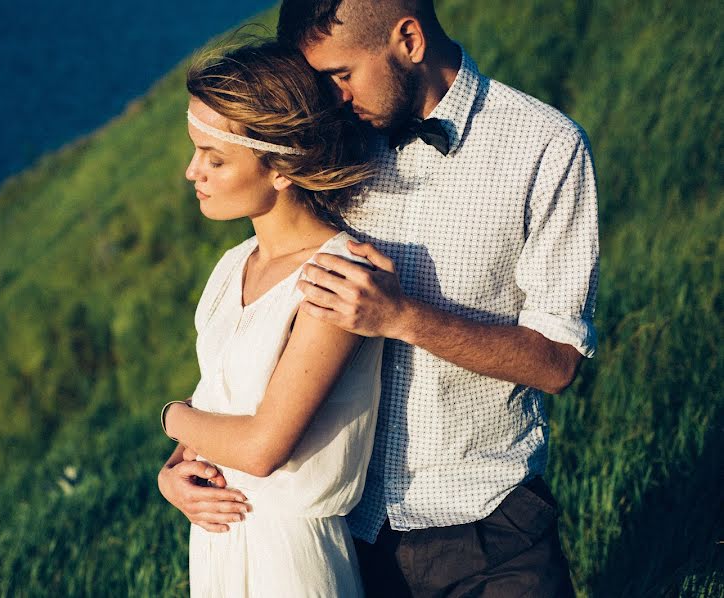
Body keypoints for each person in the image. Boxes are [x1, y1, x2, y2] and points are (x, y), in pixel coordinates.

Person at [166, 1, 600, 595]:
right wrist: (180, 461)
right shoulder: (336, 146)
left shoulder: (546, 148)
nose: (332, 101)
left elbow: (557, 362)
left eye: (340, 76)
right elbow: (258, 343)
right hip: (347, 535)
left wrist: (402, 317)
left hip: (488, 528)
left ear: (410, 40)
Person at [157, 41, 385, 597]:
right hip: (217, 541)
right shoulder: (232, 267)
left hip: (290, 559)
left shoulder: (336, 275)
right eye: (196, 152)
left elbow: (262, 448)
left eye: (214, 158)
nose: (193, 173)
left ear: (282, 167)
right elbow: (220, 400)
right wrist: (172, 474)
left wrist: (169, 416)